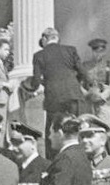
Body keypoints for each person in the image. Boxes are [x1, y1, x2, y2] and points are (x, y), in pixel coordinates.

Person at [30, 28, 88, 158]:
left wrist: (42, 84)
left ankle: (54, 162)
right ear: (57, 38)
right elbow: (84, 73)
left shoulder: (39, 55)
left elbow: (36, 82)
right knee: (77, 130)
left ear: (44, 39)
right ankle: (80, 159)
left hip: (54, 99)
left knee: (53, 132)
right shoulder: (71, 50)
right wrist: (74, 83)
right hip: (74, 96)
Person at [81, 38, 110, 128]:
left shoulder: (109, 65)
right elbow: (80, 83)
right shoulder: (85, 66)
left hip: (103, 103)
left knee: (104, 127)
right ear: (92, 51)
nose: (98, 54)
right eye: (96, 51)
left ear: (104, 52)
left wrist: (103, 96)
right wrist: (86, 94)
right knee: (88, 127)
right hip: (89, 102)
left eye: (101, 51)